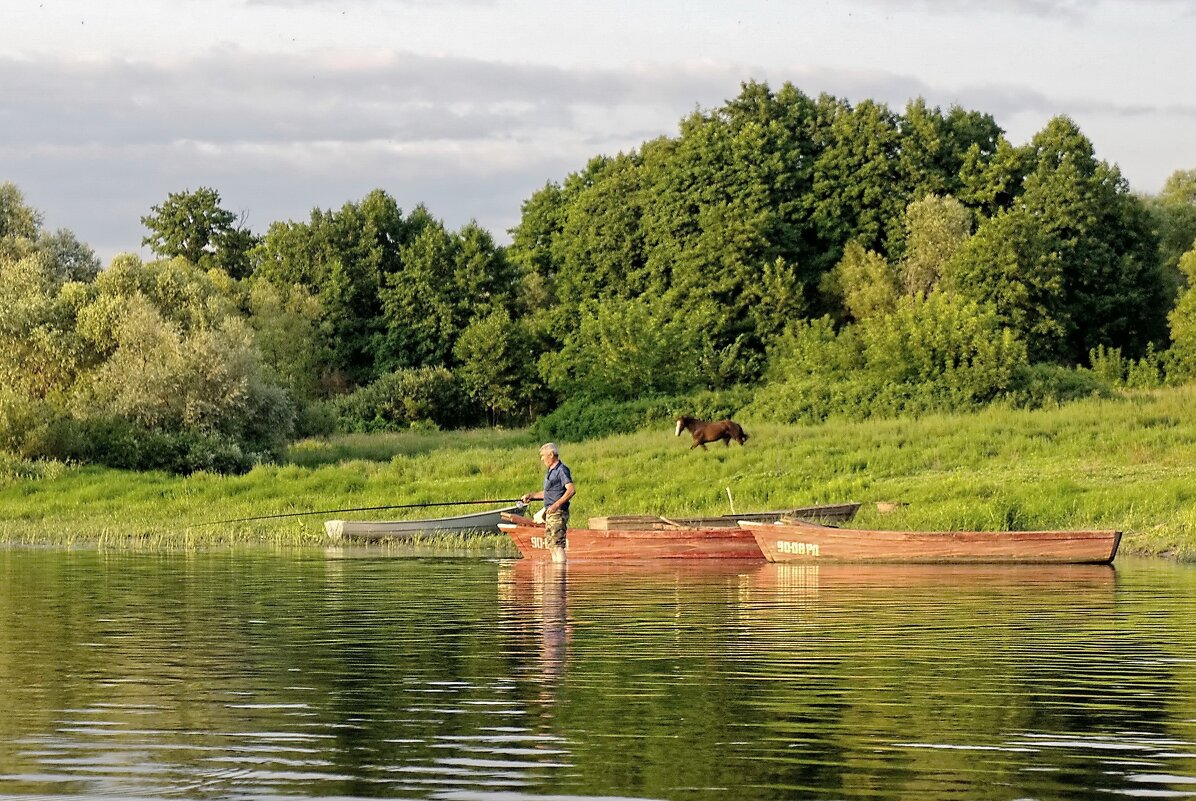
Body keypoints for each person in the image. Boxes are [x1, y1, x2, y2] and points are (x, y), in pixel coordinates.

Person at [520, 442, 575, 563]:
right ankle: (556, 574)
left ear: (551, 454)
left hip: (558, 513)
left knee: (557, 544)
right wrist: (532, 496)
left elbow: (571, 490)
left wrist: (556, 505)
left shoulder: (561, 470)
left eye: (543, 455)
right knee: (551, 545)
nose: (542, 458)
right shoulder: (550, 471)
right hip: (549, 513)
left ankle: (560, 576)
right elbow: (548, 493)